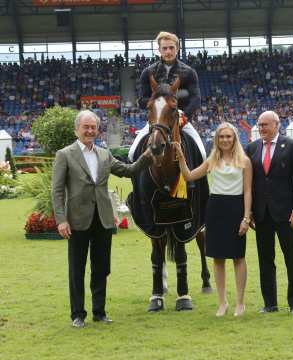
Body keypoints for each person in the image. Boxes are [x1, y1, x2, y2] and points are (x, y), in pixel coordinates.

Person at [52, 110, 152, 328]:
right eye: (85, 127)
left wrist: (147, 156)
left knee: (101, 268)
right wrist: (61, 219)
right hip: (77, 220)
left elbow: (128, 170)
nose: (89, 130)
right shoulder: (64, 155)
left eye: (93, 127)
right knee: (76, 269)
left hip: (104, 220)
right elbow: (57, 191)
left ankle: (99, 312)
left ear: (98, 130)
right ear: (77, 129)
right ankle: (78, 315)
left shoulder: (105, 154)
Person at [175, 122, 252, 317]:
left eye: (228, 136)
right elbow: (189, 176)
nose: (225, 140)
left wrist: (246, 217)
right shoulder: (212, 160)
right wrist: (182, 158)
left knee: (238, 256)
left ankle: (240, 303)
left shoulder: (244, 161)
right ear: (216, 140)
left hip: (236, 209)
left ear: (234, 138)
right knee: (218, 258)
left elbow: (248, 190)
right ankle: (222, 302)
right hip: (215, 209)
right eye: (221, 137)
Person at [246, 111, 293, 315]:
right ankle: (270, 303)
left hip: (287, 214)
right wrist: (250, 212)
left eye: (265, 124)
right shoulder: (252, 149)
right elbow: (250, 183)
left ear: (276, 125)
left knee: (292, 258)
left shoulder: (291, 146)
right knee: (265, 260)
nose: (262, 128)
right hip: (262, 215)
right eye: (259, 125)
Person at [128, 31, 205, 162]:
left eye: (171, 48)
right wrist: (159, 104)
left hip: (181, 119)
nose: (168, 51)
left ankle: (195, 182)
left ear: (177, 48)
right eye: (164, 48)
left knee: (202, 155)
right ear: (159, 50)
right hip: (157, 121)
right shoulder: (148, 72)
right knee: (131, 154)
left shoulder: (189, 72)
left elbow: (196, 99)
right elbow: (142, 100)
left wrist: (183, 115)